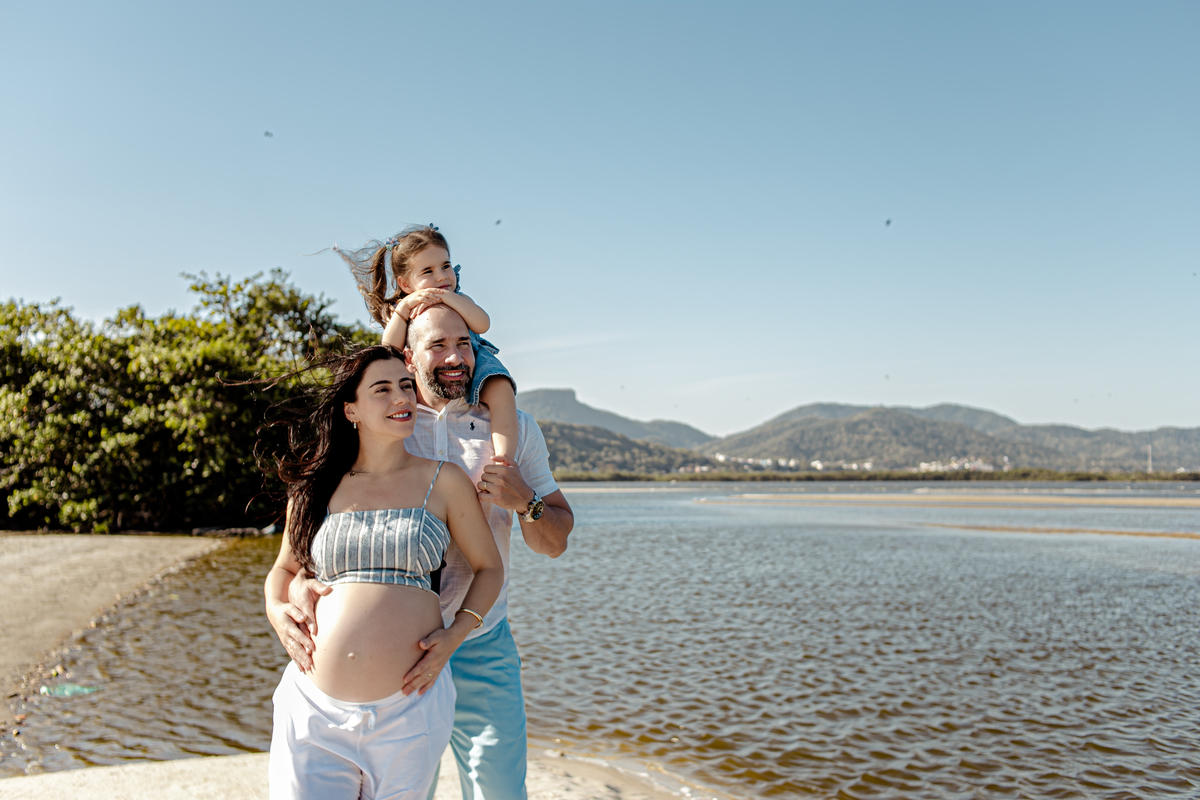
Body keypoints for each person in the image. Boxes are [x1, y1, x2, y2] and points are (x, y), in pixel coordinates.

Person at [277, 306, 574, 800]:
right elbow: (318, 529)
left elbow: (555, 541)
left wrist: (527, 502)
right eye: (438, 345)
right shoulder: (390, 419)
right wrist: (289, 592)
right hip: (392, 653)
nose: (456, 356)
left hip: (480, 640)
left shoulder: (512, 430)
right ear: (408, 357)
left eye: (464, 343)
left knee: (499, 792)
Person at [263, 344, 505, 800]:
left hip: (409, 712)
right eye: (382, 389)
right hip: (314, 710)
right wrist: (278, 612)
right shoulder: (315, 485)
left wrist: (456, 634)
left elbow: (489, 568)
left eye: (406, 386)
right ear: (350, 409)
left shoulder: (444, 479)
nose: (402, 397)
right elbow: (283, 569)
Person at [337, 224, 521, 466]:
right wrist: (404, 309)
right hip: (425, 370)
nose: (442, 276)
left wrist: (447, 297)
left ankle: (504, 460)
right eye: (428, 271)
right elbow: (389, 349)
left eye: (446, 266)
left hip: (474, 359)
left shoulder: (458, 298)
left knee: (501, 390)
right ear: (405, 284)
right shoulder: (405, 309)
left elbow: (482, 324)